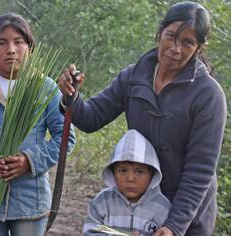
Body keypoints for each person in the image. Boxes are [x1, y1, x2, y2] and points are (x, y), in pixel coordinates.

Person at [58, 2, 226, 236]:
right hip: (137, 208)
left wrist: (174, 226)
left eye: (187, 42)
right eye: (170, 37)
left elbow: (200, 171)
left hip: (187, 217)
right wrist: (71, 95)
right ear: (159, 33)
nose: (175, 49)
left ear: (199, 47)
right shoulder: (134, 77)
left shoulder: (208, 95)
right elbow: (91, 118)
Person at [0, 12, 75, 235]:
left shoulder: (45, 89)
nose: (11, 49)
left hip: (30, 200)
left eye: (19, 42)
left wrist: (29, 160)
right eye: (2, 43)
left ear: (30, 48)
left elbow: (65, 138)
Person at [83, 129, 171, 236]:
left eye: (139, 172)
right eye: (122, 170)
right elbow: (90, 232)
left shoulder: (162, 208)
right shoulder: (102, 202)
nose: (130, 178)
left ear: (152, 174)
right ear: (113, 172)